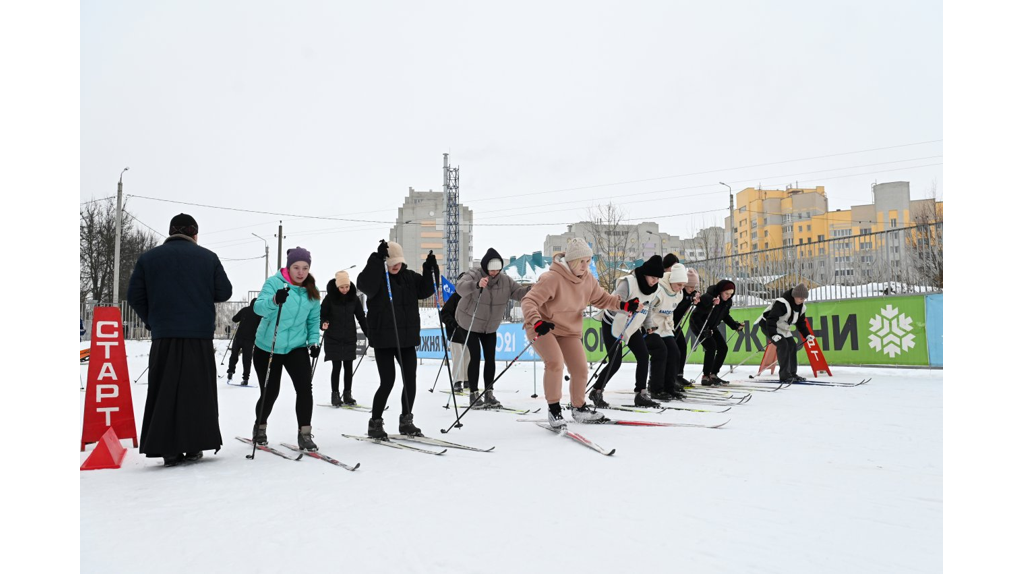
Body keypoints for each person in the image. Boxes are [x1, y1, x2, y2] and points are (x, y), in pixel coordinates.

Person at [127, 213, 232, 467]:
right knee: (197, 392)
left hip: (165, 336)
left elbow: (134, 296)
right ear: (194, 234)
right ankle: (194, 445)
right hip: (198, 337)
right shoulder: (208, 258)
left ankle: (168, 449)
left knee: (164, 390)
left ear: (171, 232)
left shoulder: (149, 258)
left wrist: (153, 320)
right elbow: (224, 292)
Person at [520, 238, 625, 428]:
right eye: (581, 262)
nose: (585, 266)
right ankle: (554, 410)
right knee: (555, 363)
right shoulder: (552, 278)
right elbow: (529, 301)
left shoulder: (588, 280)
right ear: (571, 261)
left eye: (588, 261)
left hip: (569, 331)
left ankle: (579, 407)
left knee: (580, 369)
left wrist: (623, 305)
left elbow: (602, 299)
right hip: (544, 327)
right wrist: (536, 322)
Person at [356, 240, 437, 439]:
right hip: (384, 339)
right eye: (391, 262)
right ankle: (375, 423)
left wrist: (430, 269)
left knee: (410, 380)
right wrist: (376, 260)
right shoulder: (377, 278)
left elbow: (426, 290)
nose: (395, 266)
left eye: (398, 262)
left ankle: (406, 421)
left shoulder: (409, 277)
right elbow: (363, 284)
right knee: (388, 381)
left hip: (406, 339)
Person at [251, 247, 322, 452]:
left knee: (304, 389)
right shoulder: (274, 283)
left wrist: (313, 341)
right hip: (268, 346)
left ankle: (305, 434)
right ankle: (260, 427)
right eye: (296, 267)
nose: (301, 272)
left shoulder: (312, 291)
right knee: (270, 390)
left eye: (305, 268)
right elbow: (258, 307)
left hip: (296, 347)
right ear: (289, 267)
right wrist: (275, 300)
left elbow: (313, 320)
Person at [455, 248, 532, 409]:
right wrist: (476, 285)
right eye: (491, 270)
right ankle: (474, 394)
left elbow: (518, 293)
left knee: (490, 357)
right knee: (475, 356)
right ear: (485, 267)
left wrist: (531, 289)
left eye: (497, 269)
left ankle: (489, 393)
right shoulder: (474, 274)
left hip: (489, 326)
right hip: (469, 321)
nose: (494, 273)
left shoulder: (505, 280)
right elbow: (460, 287)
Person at [589, 255, 664, 409]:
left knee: (643, 356)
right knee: (615, 362)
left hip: (631, 326)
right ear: (645, 273)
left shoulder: (653, 289)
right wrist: (628, 307)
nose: (655, 281)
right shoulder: (628, 282)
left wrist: (648, 325)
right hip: (613, 323)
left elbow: (648, 306)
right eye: (653, 277)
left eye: (658, 278)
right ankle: (596, 391)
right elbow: (614, 303)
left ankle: (641, 394)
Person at [643, 262, 690, 401]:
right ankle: (656, 388)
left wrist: (670, 324)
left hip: (665, 327)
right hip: (652, 326)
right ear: (672, 281)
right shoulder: (659, 290)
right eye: (679, 285)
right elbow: (648, 308)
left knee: (675, 353)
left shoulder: (678, 293)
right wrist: (648, 326)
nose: (681, 288)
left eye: (683, 285)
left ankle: (670, 387)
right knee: (661, 351)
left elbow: (671, 312)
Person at [321, 270, 367, 406]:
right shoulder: (329, 298)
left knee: (348, 366)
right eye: (342, 287)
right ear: (337, 287)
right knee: (336, 367)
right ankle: (335, 395)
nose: (345, 289)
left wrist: (369, 332)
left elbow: (361, 317)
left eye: (346, 286)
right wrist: (323, 323)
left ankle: (347, 394)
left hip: (349, 338)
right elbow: (322, 314)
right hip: (333, 338)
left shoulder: (354, 298)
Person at [689, 279, 743, 386]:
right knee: (711, 346)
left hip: (712, 326)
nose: (728, 296)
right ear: (720, 291)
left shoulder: (727, 302)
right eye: (726, 293)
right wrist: (703, 330)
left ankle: (713, 374)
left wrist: (735, 325)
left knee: (723, 347)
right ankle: (705, 376)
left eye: (731, 294)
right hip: (699, 325)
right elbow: (696, 317)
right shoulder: (708, 298)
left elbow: (725, 316)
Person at [758, 283, 813, 383]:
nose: (802, 301)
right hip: (768, 325)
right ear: (794, 296)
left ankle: (792, 373)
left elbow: (801, 323)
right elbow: (771, 319)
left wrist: (807, 335)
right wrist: (773, 334)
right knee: (783, 345)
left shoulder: (802, 307)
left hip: (782, 328)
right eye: (801, 298)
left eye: (804, 299)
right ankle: (784, 376)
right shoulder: (782, 303)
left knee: (792, 346)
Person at [672, 267, 701, 388]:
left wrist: (696, 299)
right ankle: (671, 377)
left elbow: (701, 299)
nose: (692, 289)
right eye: (690, 287)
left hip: (677, 325)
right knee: (674, 351)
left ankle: (679, 375)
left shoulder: (692, 294)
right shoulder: (678, 293)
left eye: (694, 287)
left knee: (682, 347)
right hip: (669, 324)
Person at [439, 281, 469, 393]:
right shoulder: (455, 297)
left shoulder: (472, 297)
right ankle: (457, 381)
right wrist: (452, 323)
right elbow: (444, 313)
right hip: (455, 333)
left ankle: (467, 379)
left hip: (468, 332)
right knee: (458, 357)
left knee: (468, 357)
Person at [226, 299, 259, 385]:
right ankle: (245, 379)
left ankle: (230, 372)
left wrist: (242, 318)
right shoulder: (259, 314)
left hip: (239, 337)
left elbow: (234, 319)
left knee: (234, 355)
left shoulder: (245, 310)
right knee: (247, 359)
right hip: (250, 340)